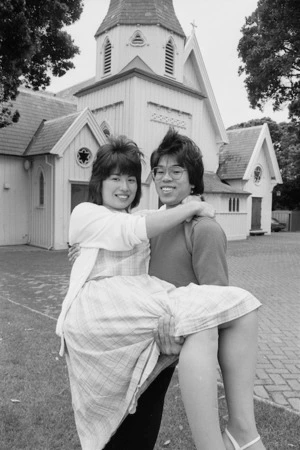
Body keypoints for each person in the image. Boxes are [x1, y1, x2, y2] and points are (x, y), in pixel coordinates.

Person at [57, 135, 265, 450]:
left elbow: (213, 304)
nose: (164, 178)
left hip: (160, 333)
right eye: (158, 171)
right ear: (99, 182)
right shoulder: (118, 218)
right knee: (128, 431)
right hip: (131, 325)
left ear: (193, 179)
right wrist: (85, 254)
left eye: (176, 171)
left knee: (236, 309)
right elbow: (126, 234)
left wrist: (194, 207)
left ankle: (241, 431)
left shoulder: (200, 228)